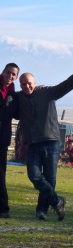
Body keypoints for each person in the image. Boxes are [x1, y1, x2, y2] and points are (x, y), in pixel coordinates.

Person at [18, 62, 73, 221]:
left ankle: (41, 211)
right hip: (33, 144)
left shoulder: (47, 93)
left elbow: (66, 85)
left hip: (51, 142)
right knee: (34, 175)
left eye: (29, 83)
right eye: (23, 84)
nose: (26, 86)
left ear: (34, 83)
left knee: (50, 178)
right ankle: (57, 201)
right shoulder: (19, 98)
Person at [0, 63, 20, 218]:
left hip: (2, 137)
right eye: (8, 73)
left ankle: (3, 208)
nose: (10, 76)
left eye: (14, 74)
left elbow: (18, 114)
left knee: (1, 173)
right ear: (3, 72)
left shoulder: (14, 94)